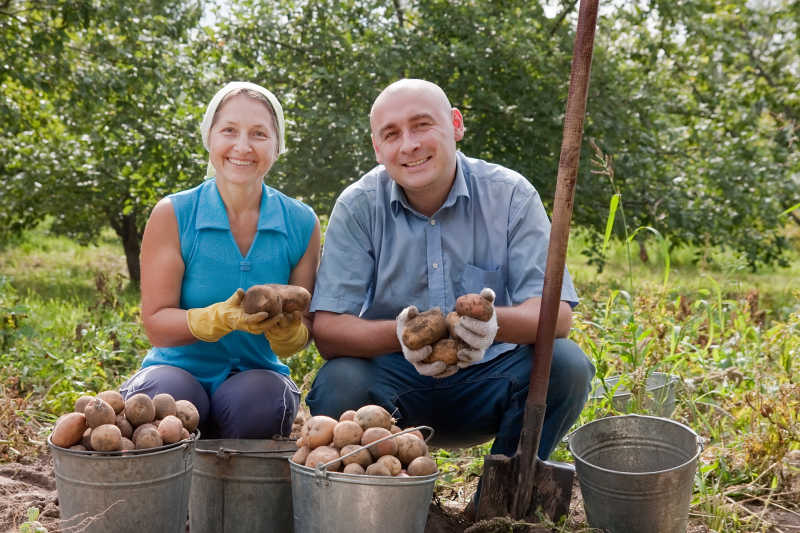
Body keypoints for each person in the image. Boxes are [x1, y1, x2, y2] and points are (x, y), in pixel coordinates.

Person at [306, 78, 594, 466]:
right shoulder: (358, 205)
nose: (409, 144)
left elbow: (556, 316)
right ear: (378, 148)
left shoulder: (510, 195)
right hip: (395, 385)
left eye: (422, 125)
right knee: (338, 382)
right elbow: (327, 330)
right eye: (391, 134)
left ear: (456, 124)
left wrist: (490, 326)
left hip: (490, 380)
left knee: (567, 364)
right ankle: (380, 504)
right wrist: (400, 335)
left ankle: (500, 505)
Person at [121, 81, 321, 439]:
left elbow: (303, 325)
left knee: (261, 403)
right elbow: (155, 323)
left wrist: (290, 333)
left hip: (256, 377)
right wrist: (216, 318)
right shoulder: (175, 213)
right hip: (176, 370)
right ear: (209, 138)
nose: (242, 147)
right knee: (165, 399)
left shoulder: (301, 222)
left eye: (259, 134)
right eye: (229, 130)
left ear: (278, 145)